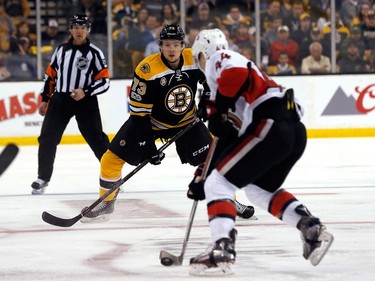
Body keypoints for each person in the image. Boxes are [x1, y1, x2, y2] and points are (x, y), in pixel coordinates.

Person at [188, 29, 334, 275]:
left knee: (218, 185)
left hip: (271, 125)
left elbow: (234, 74)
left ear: (204, 52)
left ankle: (222, 248)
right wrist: (203, 172)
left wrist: (217, 106)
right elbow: (228, 142)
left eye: (199, 58)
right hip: (291, 133)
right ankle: (310, 227)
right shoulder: (235, 84)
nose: (200, 64)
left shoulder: (220, 59)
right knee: (258, 190)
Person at [80, 24, 254, 223]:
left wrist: (206, 98)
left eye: (176, 44)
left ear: (183, 45)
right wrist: (148, 146)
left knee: (213, 160)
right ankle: (106, 202)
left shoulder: (194, 57)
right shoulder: (147, 69)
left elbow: (211, 78)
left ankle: (228, 201)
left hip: (187, 121)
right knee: (110, 160)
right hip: (150, 124)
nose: (172, 49)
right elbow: (139, 115)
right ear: (160, 46)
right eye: (167, 45)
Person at [31, 14, 110, 195]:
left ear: (88, 30)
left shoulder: (95, 53)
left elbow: (105, 81)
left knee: (97, 140)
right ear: (70, 29)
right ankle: (42, 178)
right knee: (47, 138)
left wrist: (86, 91)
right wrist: (45, 98)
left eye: (83, 27)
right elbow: (50, 76)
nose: (79, 30)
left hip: (86, 101)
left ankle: (112, 177)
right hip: (61, 99)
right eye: (76, 26)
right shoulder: (61, 50)